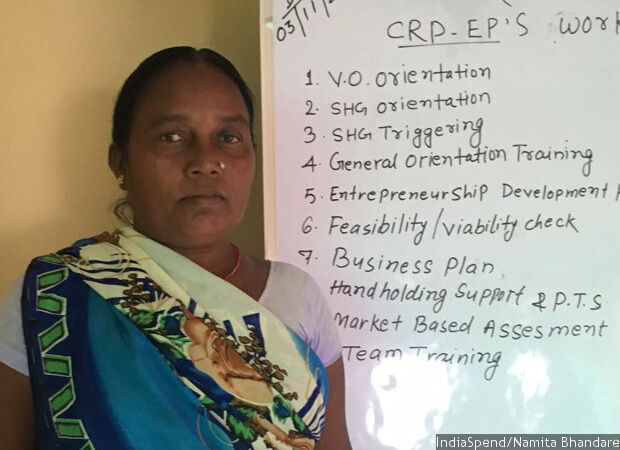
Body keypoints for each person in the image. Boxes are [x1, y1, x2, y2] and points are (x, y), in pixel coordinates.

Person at [0, 47, 352, 450]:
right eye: (171, 136)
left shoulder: (298, 295)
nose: (206, 161)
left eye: (229, 137)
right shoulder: (51, 295)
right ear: (120, 162)